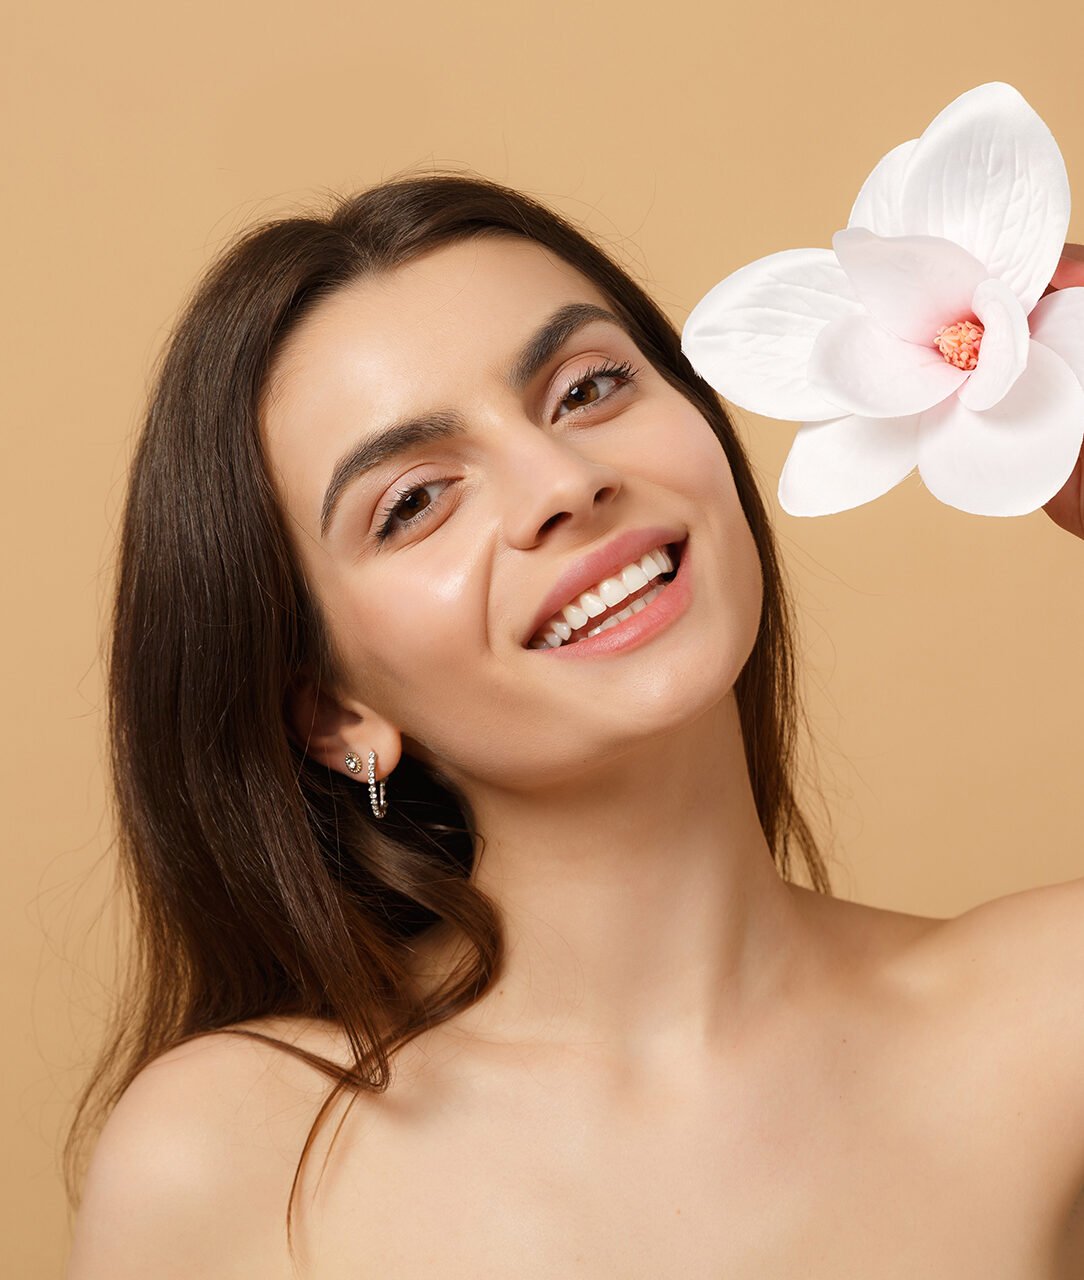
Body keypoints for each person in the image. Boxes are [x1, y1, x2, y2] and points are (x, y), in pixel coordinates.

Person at [63, 173, 1084, 1277]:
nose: (564, 479)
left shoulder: (1051, 1019)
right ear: (335, 714)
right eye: (414, 500)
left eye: (589, 388)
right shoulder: (234, 1151)